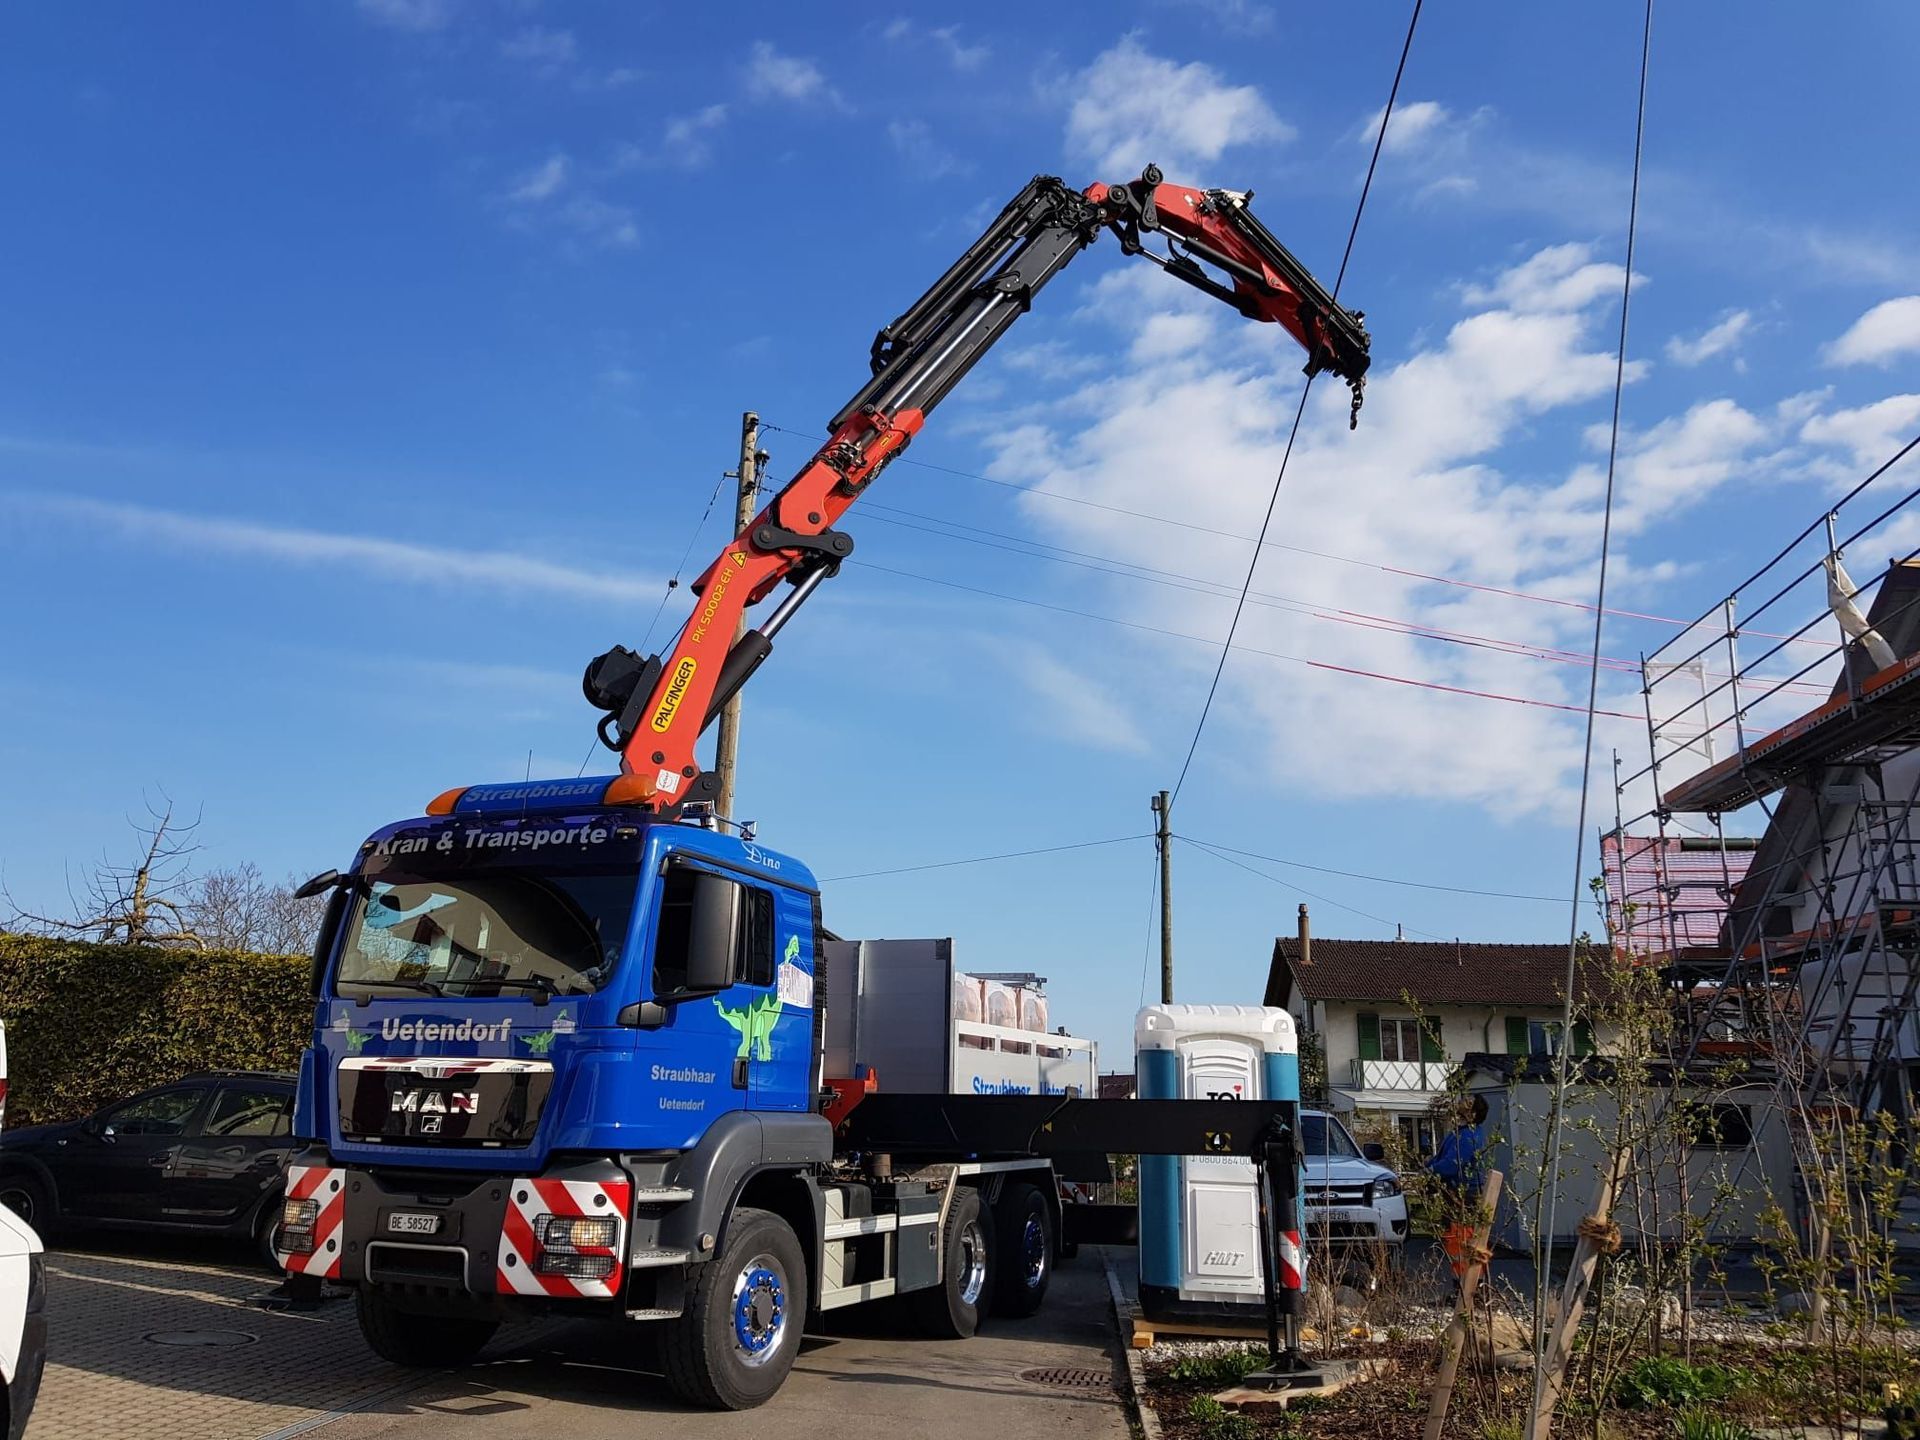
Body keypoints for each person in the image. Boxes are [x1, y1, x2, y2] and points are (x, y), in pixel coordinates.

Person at [1427, 1094, 1490, 1277]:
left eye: (1467, 1102)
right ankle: (1464, 1287)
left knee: (1462, 1240)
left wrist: (1431, 1170)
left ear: (1472, 1114)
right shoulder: (1460, 1132)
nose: (1460, 1102)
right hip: (1458, 1192)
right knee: (1458, 1240)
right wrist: (1432, 1163)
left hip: (1464, 1195)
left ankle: (1470, 1287)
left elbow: (1453, 1164)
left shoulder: (1468, 1136)